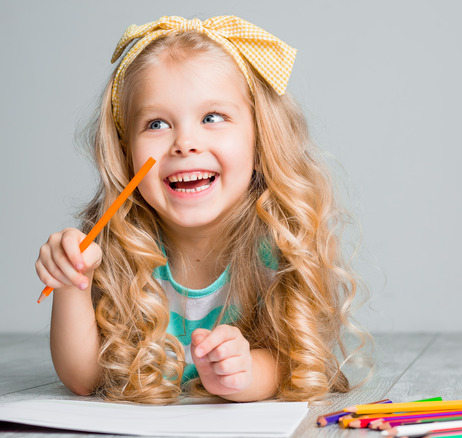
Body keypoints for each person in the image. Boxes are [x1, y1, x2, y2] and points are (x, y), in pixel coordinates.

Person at [35, 15, 371, 404]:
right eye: (157, 123)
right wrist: (70, 283)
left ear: (260, 142)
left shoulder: (277, 244)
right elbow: (83, 378)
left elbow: (294, 360)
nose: (185, 143)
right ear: (127, 155)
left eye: (212, 118)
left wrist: (245, 375)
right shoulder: (117, 246)